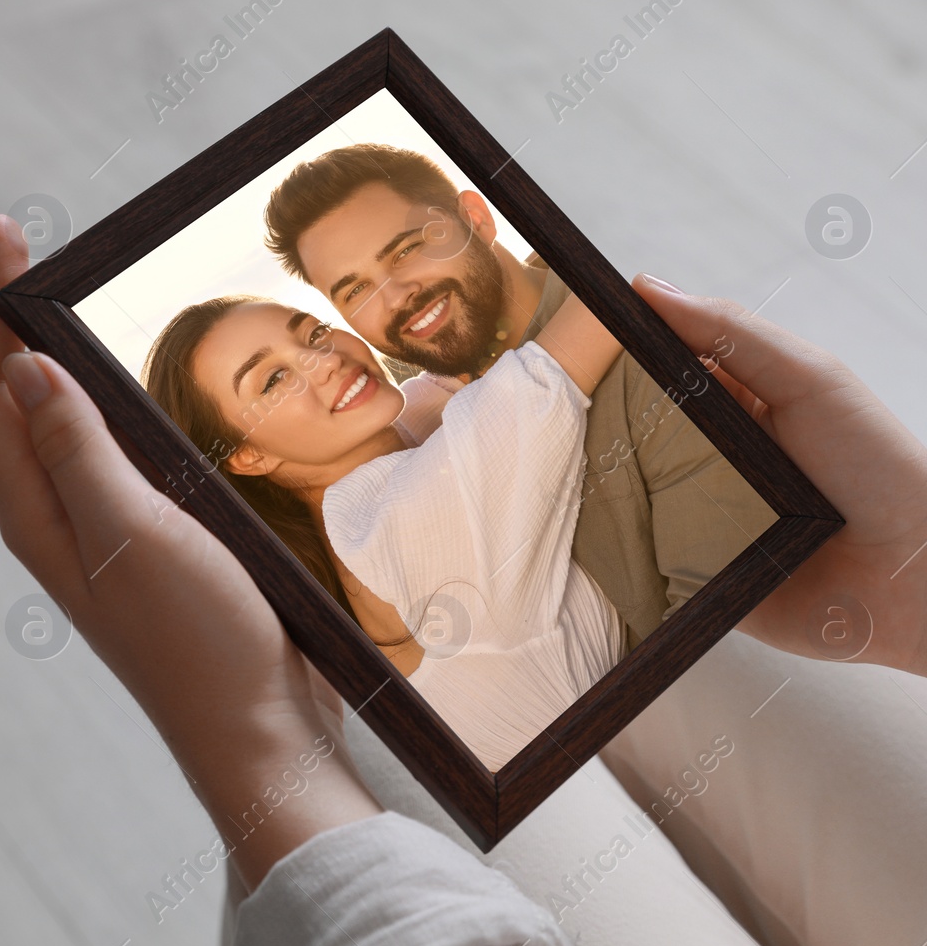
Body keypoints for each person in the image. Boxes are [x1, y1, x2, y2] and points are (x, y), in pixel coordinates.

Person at [0, 216, 927, 946]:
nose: (336, 344)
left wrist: (256, 762)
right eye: (280, 367)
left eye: (304, 325)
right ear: (239, 443)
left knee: (374, 712)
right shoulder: (404, 479)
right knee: (691, 616)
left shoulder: (425, 448)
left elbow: (510, 406)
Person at [261, 144, 779, 655]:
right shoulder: (422, 421)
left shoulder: (649, 365)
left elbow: (727, 646)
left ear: (476, 218)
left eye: (406, 250)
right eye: (355, 291)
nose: (396, 297)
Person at [139, 290, 628, 771]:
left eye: (314, 333)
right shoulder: (393, 527)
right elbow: (607, 302)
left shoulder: (377, 477)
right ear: (248, 456)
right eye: (273, 380)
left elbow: (436, 389)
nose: (324, 362)